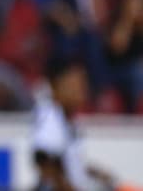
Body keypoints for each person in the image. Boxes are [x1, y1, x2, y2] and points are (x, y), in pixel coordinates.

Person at [33, 59, 118, 191]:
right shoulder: (50, 117)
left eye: (83, 83)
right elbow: (46, 163)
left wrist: (92, 172)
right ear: (56, 86)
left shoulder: (68, 119)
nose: (81, 90)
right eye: (74, 84)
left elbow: (67, 164)